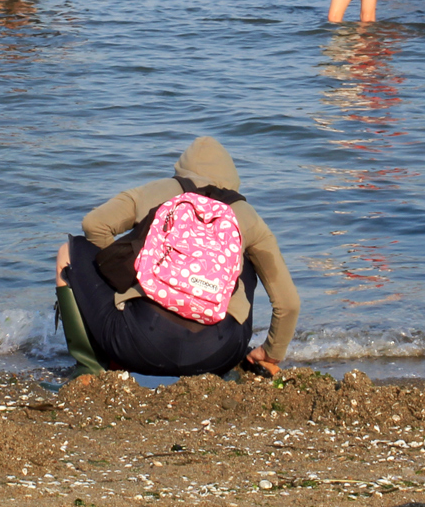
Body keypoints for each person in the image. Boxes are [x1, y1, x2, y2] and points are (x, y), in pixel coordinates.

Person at [53, 136, 300, 378]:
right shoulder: (246, 215)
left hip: (137, 343)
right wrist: (270, 352)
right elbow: (288, 303)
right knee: (245, 261)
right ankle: (241, 367)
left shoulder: (159, 190)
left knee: (70, 251)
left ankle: (91, 367)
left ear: (181, 170)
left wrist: (126, 276)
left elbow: (94, 225)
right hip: (218, 354)